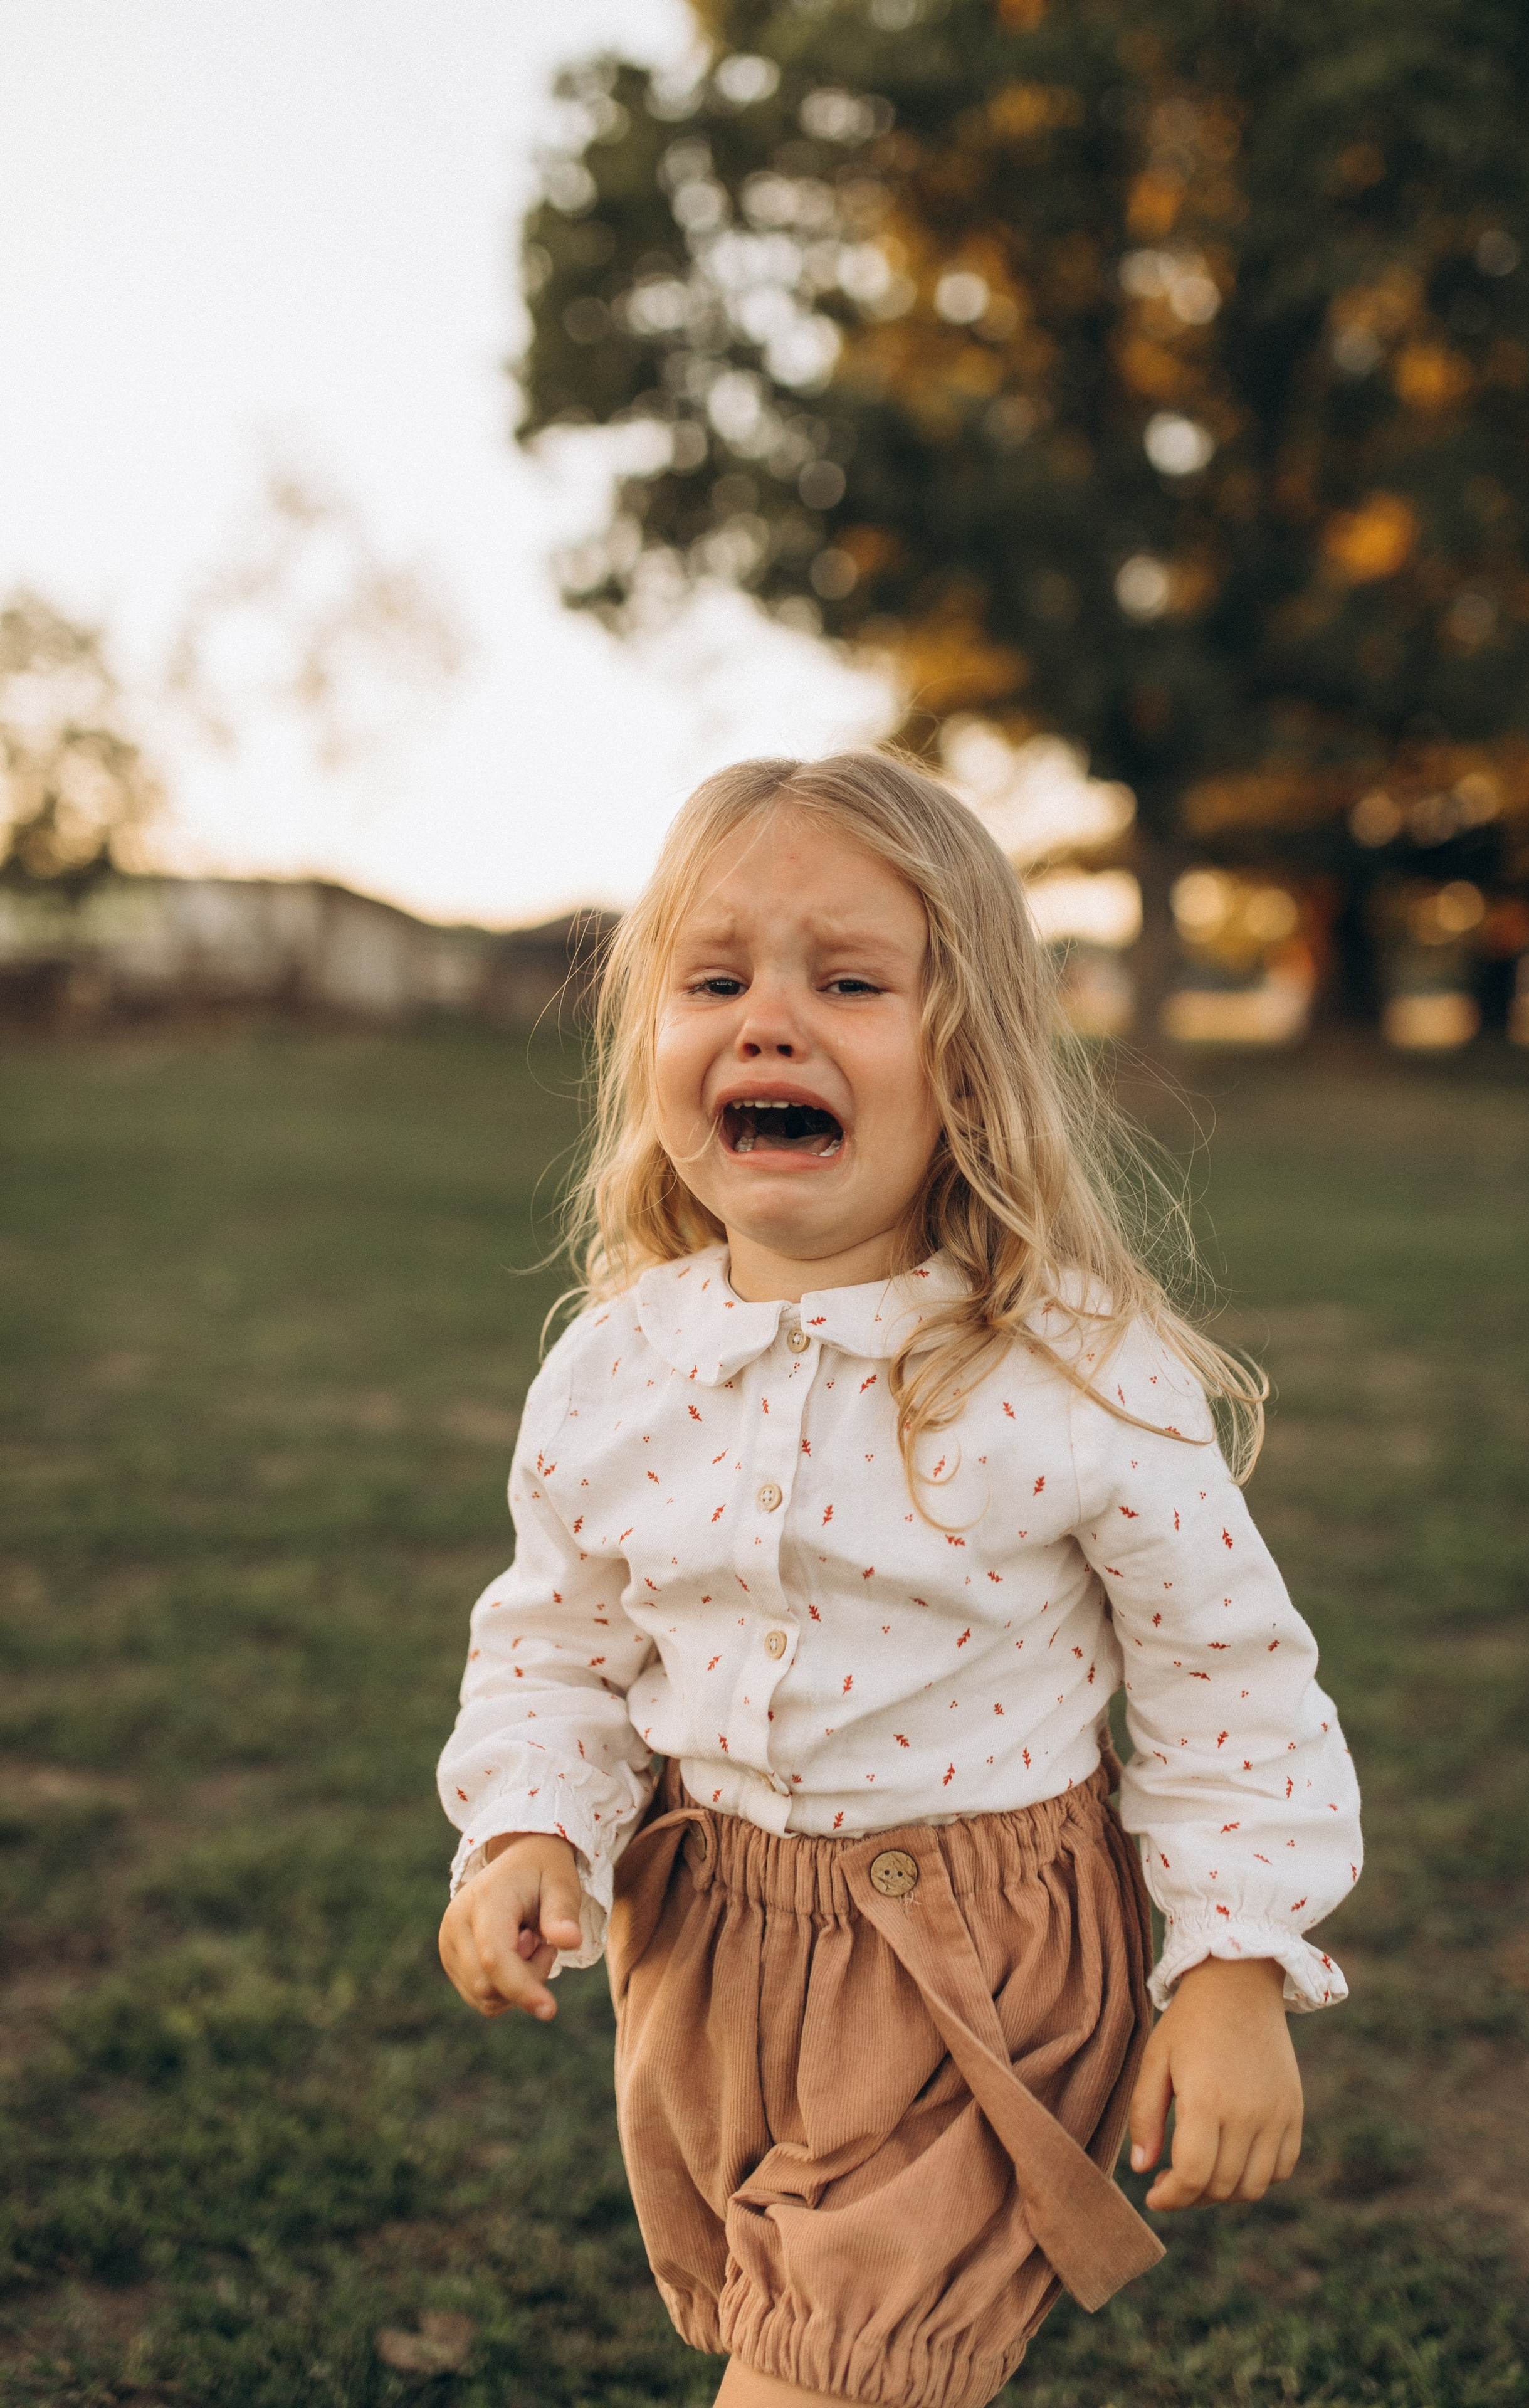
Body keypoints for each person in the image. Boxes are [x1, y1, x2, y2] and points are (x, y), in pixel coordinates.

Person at [436, 750, 1361, 2408]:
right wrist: (524, 1823)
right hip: (705, 1950)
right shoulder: (615, 1367)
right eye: (713, 980)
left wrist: (1232, 1963)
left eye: (848, 981)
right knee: (787, 2327)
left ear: (974, 1062)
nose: (770, 1020)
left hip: (975, 1965)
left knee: (833, 2375)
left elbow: (1228, 1674)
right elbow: (555, 1648)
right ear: (650, 1043)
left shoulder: (1067, 1370)